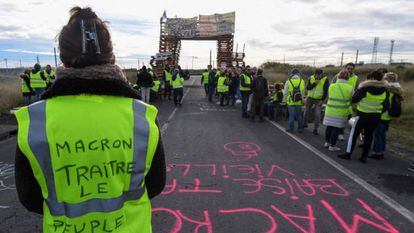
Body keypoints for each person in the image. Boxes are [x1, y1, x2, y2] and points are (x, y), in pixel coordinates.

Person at [14, 7, 165, 233]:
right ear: (110, 56)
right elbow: (155, 185)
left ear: (63, 58)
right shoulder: (141, 116)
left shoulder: (36, 120)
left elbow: (30, 198)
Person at [338, 71, 390, 163]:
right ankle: (364, 157)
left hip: (362, 115)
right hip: (375, 117)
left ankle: (348, 154)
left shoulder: (364, 87)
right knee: (369, 136)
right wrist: (377, 110)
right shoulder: (385, 90)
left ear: (372, 78)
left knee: (354, 135)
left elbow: (354, 99)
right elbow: (386, 106)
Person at [370, 72, 403, 159]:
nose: (383, 79)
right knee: (383, 134)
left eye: (385, 78)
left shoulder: (388, 90)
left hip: (382, 115)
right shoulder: (396, 89)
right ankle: (381, 151)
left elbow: (384, 103)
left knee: (378, 134)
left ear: (389, 80)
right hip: (388, 116)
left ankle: (377, 153)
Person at [323, 70, 354, 151]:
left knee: (329, 127)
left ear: (338, 76)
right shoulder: (350, 88)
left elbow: (329, 96)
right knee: (336, 129)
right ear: (348, 78)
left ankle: (327, 142)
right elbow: (352, 99)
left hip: (330, 110)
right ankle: (332, 145)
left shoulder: (331, 86)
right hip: (341, 111)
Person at [333, 63, 359, 141]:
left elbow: (357, 90)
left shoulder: (356, 78)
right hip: (337, 101)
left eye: (351, 69)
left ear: (353, 69)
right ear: (345, 68)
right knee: (336, 118)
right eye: (348, 68)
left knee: (345, 119)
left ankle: (340, 133)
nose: (349, 70)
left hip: (348, 103)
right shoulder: (337, 76)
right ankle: (334, 133)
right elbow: (332, 86)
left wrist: (354, 101)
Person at [303, 68, 329, 135]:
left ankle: (315, 129)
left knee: (317, 114)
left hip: (318, 99)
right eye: (316, 75)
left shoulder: (325, 80)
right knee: (306, 111)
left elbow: (326, 92)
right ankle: (304, 123)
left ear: (321, 74)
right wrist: (314, 83)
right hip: (310, 98)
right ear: (314, 74)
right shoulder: (311, 78)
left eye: (319, 75)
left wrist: (322, 100)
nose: (317, 76)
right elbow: (308, 88)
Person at [283, 68, 305, 132]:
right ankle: (300, 128)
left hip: (290, 102)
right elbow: (303, 92)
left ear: (292, 74)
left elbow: (285, 92)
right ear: (298, 74)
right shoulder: (302, 81)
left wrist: (284, 101)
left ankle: (291, 128)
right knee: (299, 115)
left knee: (291, 115)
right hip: (298, 101)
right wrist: (302, 99)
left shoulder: (288, 81)